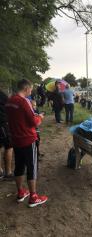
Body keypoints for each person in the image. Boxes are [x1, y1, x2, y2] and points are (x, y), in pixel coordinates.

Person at [5, 79, 48, 207]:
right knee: (32, 167)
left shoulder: (9, 101)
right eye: (30, 89)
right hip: (28, 139)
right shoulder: (24, 101)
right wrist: (40, 116)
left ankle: (20, 193)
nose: (31, 91)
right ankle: (34, 197)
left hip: (16, 139)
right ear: (26, 88)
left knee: (19, 166)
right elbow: (33, 122)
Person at [0, 89, 13, 179]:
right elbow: (9, 108)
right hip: (2, 124)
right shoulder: (2, 95)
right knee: (9, 146)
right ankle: (8, 173)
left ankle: (0, 171)